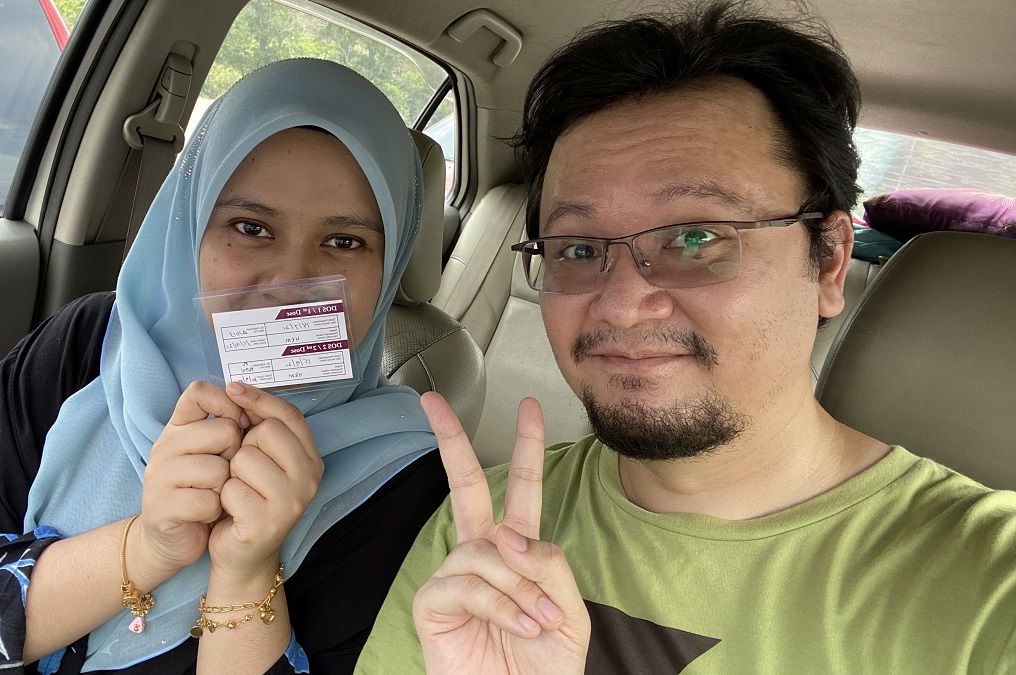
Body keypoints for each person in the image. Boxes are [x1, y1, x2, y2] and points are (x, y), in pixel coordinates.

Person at [357, 3, 1016, 673]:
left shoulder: (990, 585)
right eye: (578, 248)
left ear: (829, 262)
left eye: (697, 237)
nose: (622, 305)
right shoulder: (482, 537)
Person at [0, 58, 449, 674]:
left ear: (389, 267)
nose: (287, 282)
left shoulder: (405, 478)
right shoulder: (88, 347)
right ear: (189, 226)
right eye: (251, 227)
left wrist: (248, 573)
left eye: (344, 242)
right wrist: (146, 546)